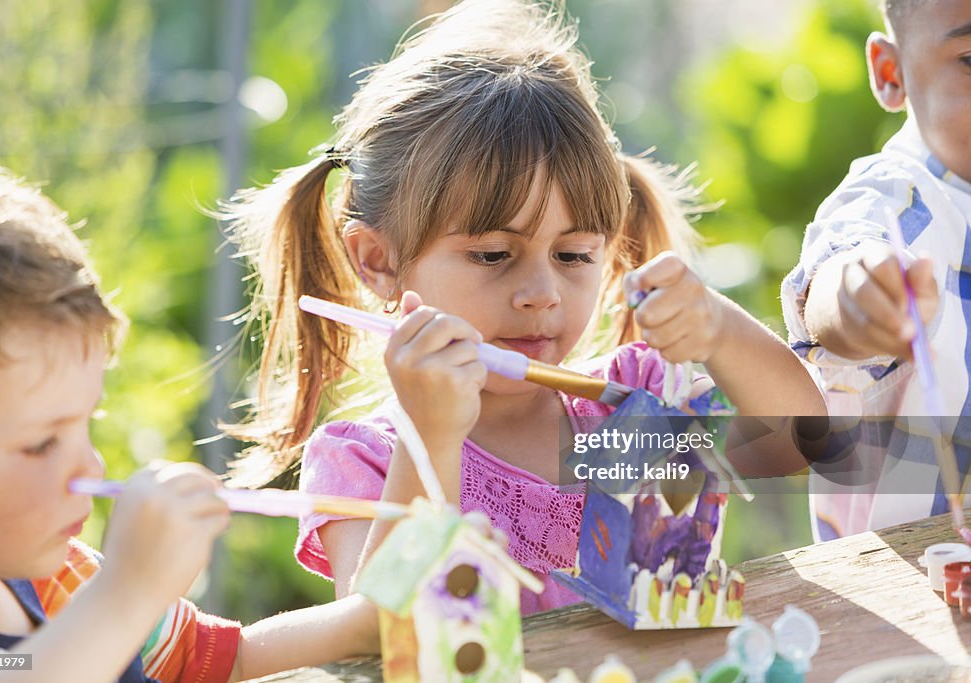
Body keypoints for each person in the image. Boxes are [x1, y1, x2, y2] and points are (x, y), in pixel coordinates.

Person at [226, 0, 824, 614]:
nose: (541, 292)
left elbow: (803, 445)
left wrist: (719, 329)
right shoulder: (363, 460)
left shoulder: (634, 406)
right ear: (377, 260)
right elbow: (381, 629)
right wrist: (428, 436)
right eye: (491, 255)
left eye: (572, 256)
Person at [0, 157, 377, 683]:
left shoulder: (66, 582)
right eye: (41, 443)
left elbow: (224, 661)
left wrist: (371, 619)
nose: (89, 462)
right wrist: (127, 593)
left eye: (88, 423)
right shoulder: (100, 604)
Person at [781, 0, 971, 540]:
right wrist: (860, 290)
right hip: (906, 594)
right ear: (892, 72)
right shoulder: (907, 196)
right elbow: (844, 259)